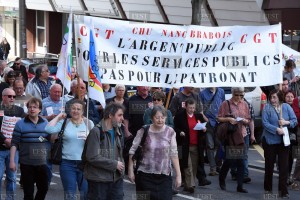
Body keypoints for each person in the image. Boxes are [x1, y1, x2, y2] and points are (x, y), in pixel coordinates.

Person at [128, 105, 181, 200]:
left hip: (164, 175)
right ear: (152, 118)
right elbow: (132, 151)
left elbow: (174, 154)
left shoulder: (170, 132)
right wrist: (130, 171)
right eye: (157, 117)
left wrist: (178, 175)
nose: (160, 120)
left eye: (163, 117)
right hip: (144, 175)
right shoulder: (144, 130)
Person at [45, 99, 94, 199]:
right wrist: (58, 117)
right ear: (70, 110)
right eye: (73, 108)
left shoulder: (89, 123)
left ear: (83, 111)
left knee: (85, 194)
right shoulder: (65, 122)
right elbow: (48, 129)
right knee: (69, 195)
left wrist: (89, 141)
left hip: (85, 164)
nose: (75, 111)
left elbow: (97, 143)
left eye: (78, 109)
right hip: (67, 164)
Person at [82, 102, 125, 200]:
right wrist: (114, 164)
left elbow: (120, 154)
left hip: (116, 179)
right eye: (119, 115)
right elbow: (92, 157)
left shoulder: (118, 131)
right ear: (110, 115)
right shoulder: (96, 132)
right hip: (98, 180)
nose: (122, 118)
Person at [10, 97, 49, 200]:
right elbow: (14, 143)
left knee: (44, 188)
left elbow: (47, 139)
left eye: (35, 107)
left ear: (40, 109)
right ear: (27, 109)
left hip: (42, 162)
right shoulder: (20, 124)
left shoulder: (45, 123)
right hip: (26, 164)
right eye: (30, 107)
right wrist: (12, 161)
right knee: (28, 193)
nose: (32, 109)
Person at [262, 89, 297, 198]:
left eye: (274, 97)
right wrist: (277, 129)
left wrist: (286, 122)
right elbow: (265, 123)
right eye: (271, 97)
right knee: (269, 166)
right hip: (270, 141)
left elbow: (294, 120)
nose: (272, 100)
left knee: (284, 167)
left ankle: (283, 191)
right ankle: (268, 189)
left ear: (279, 98)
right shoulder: (267, 108)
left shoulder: (286, 107)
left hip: (283, 141)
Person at [217, 87, 251, 193]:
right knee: (230, 160)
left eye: (241, 95)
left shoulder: (244, 104)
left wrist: (245, 120)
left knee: (241, 161)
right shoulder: (225, 104)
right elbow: (218, 118)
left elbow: (249, 119)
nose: (239, 97)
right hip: (230, 136)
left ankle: (240, 186)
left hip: (242, 135)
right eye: (237, 95)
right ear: (233, 94)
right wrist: (229, 119)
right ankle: (221, 178)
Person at [174, 98, 211, 193]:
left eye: (193, 108)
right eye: (190, 107)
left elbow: (205, 128)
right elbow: (175, 128)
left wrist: (204, 130)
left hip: (196, 145)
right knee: (187, 165)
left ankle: (189, 184)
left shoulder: (198, 116)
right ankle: (190, 185)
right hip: (184, 145)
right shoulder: (179, 116)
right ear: (185, 107)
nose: (192, 109)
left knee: (194, 166)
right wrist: (180, 132)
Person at [0, 88, 25, 198]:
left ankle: (10, 198)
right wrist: (4, 140)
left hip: (13, 150)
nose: (12, 98)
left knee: (12, 177)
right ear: (3, 97)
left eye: (14, 96)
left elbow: (25, 125)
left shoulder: (19, 110)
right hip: (0, 148)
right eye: (9, 96)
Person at [200, 87, 225, 176]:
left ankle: (218, 164)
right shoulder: (203, 93)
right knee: (210, 145)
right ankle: (212, 168)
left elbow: (223, 106)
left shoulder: (221, 91)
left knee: (220, 145)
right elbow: (200, 109)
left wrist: (222, 118)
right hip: (209, 122)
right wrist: (206, 119)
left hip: (219, 122)